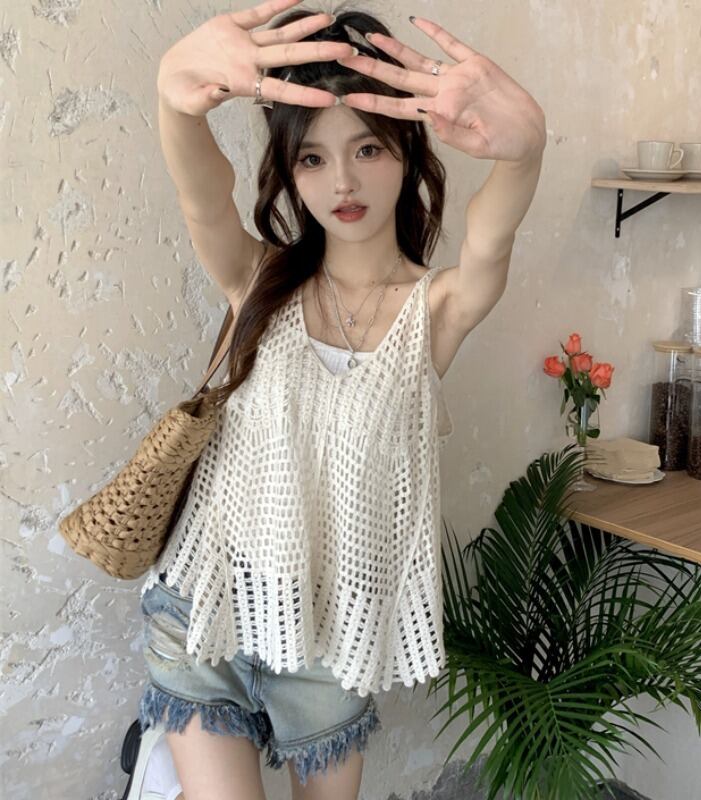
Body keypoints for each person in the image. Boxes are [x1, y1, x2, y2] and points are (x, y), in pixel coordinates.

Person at [134, 2, 546, 799]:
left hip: (334, 644)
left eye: (367, 148)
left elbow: (491, 239)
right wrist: (173, 98)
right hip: (207, 609)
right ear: (290, 173)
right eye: (313, 159)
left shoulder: (435, 309)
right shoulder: (259, 278)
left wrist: (526, 152)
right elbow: (203, 199)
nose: (344, 183)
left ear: (408, 152)